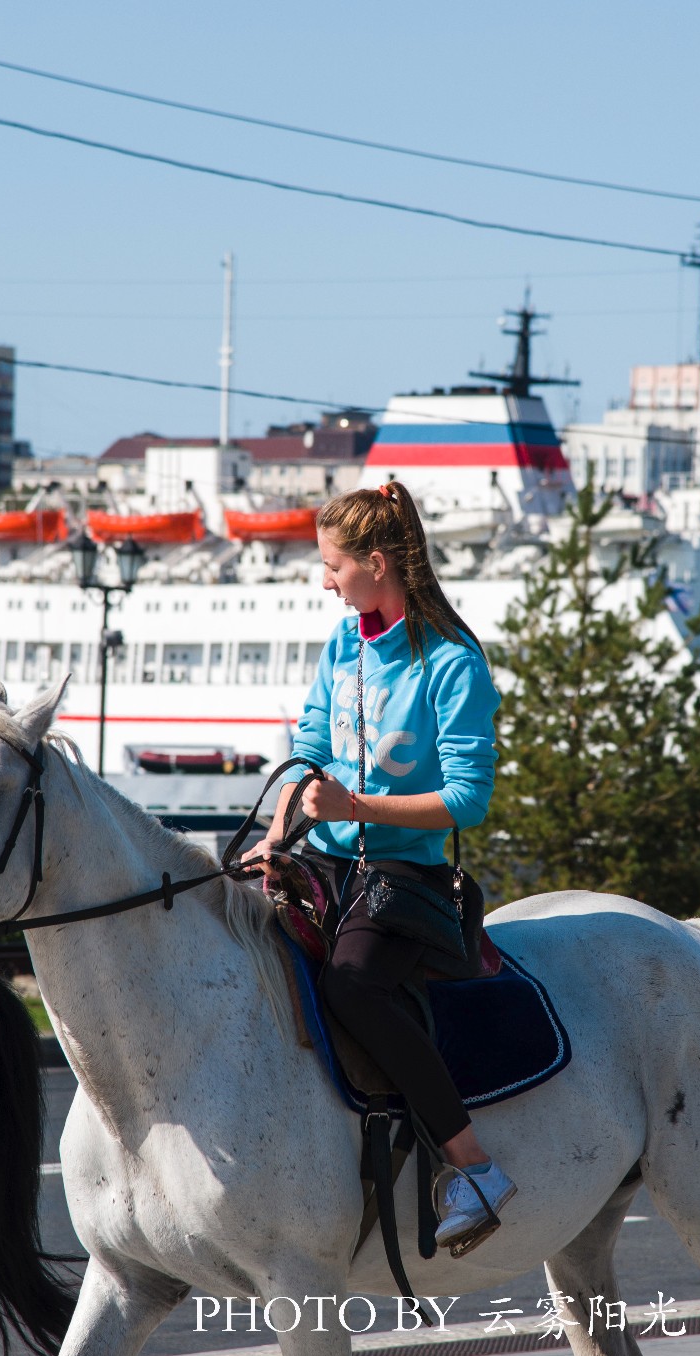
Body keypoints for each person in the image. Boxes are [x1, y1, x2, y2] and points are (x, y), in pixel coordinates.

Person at [252, 481, 512, 1249]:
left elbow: (467, 799)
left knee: (352, 982)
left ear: (374, 561)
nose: (323, 579)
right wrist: (278, 831)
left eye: (332, 564)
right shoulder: (345, 643)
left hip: (404, 879)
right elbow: (308, 744)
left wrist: (355, 808)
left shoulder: (454, 662)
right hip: (324, 857)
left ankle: (474, 1168)